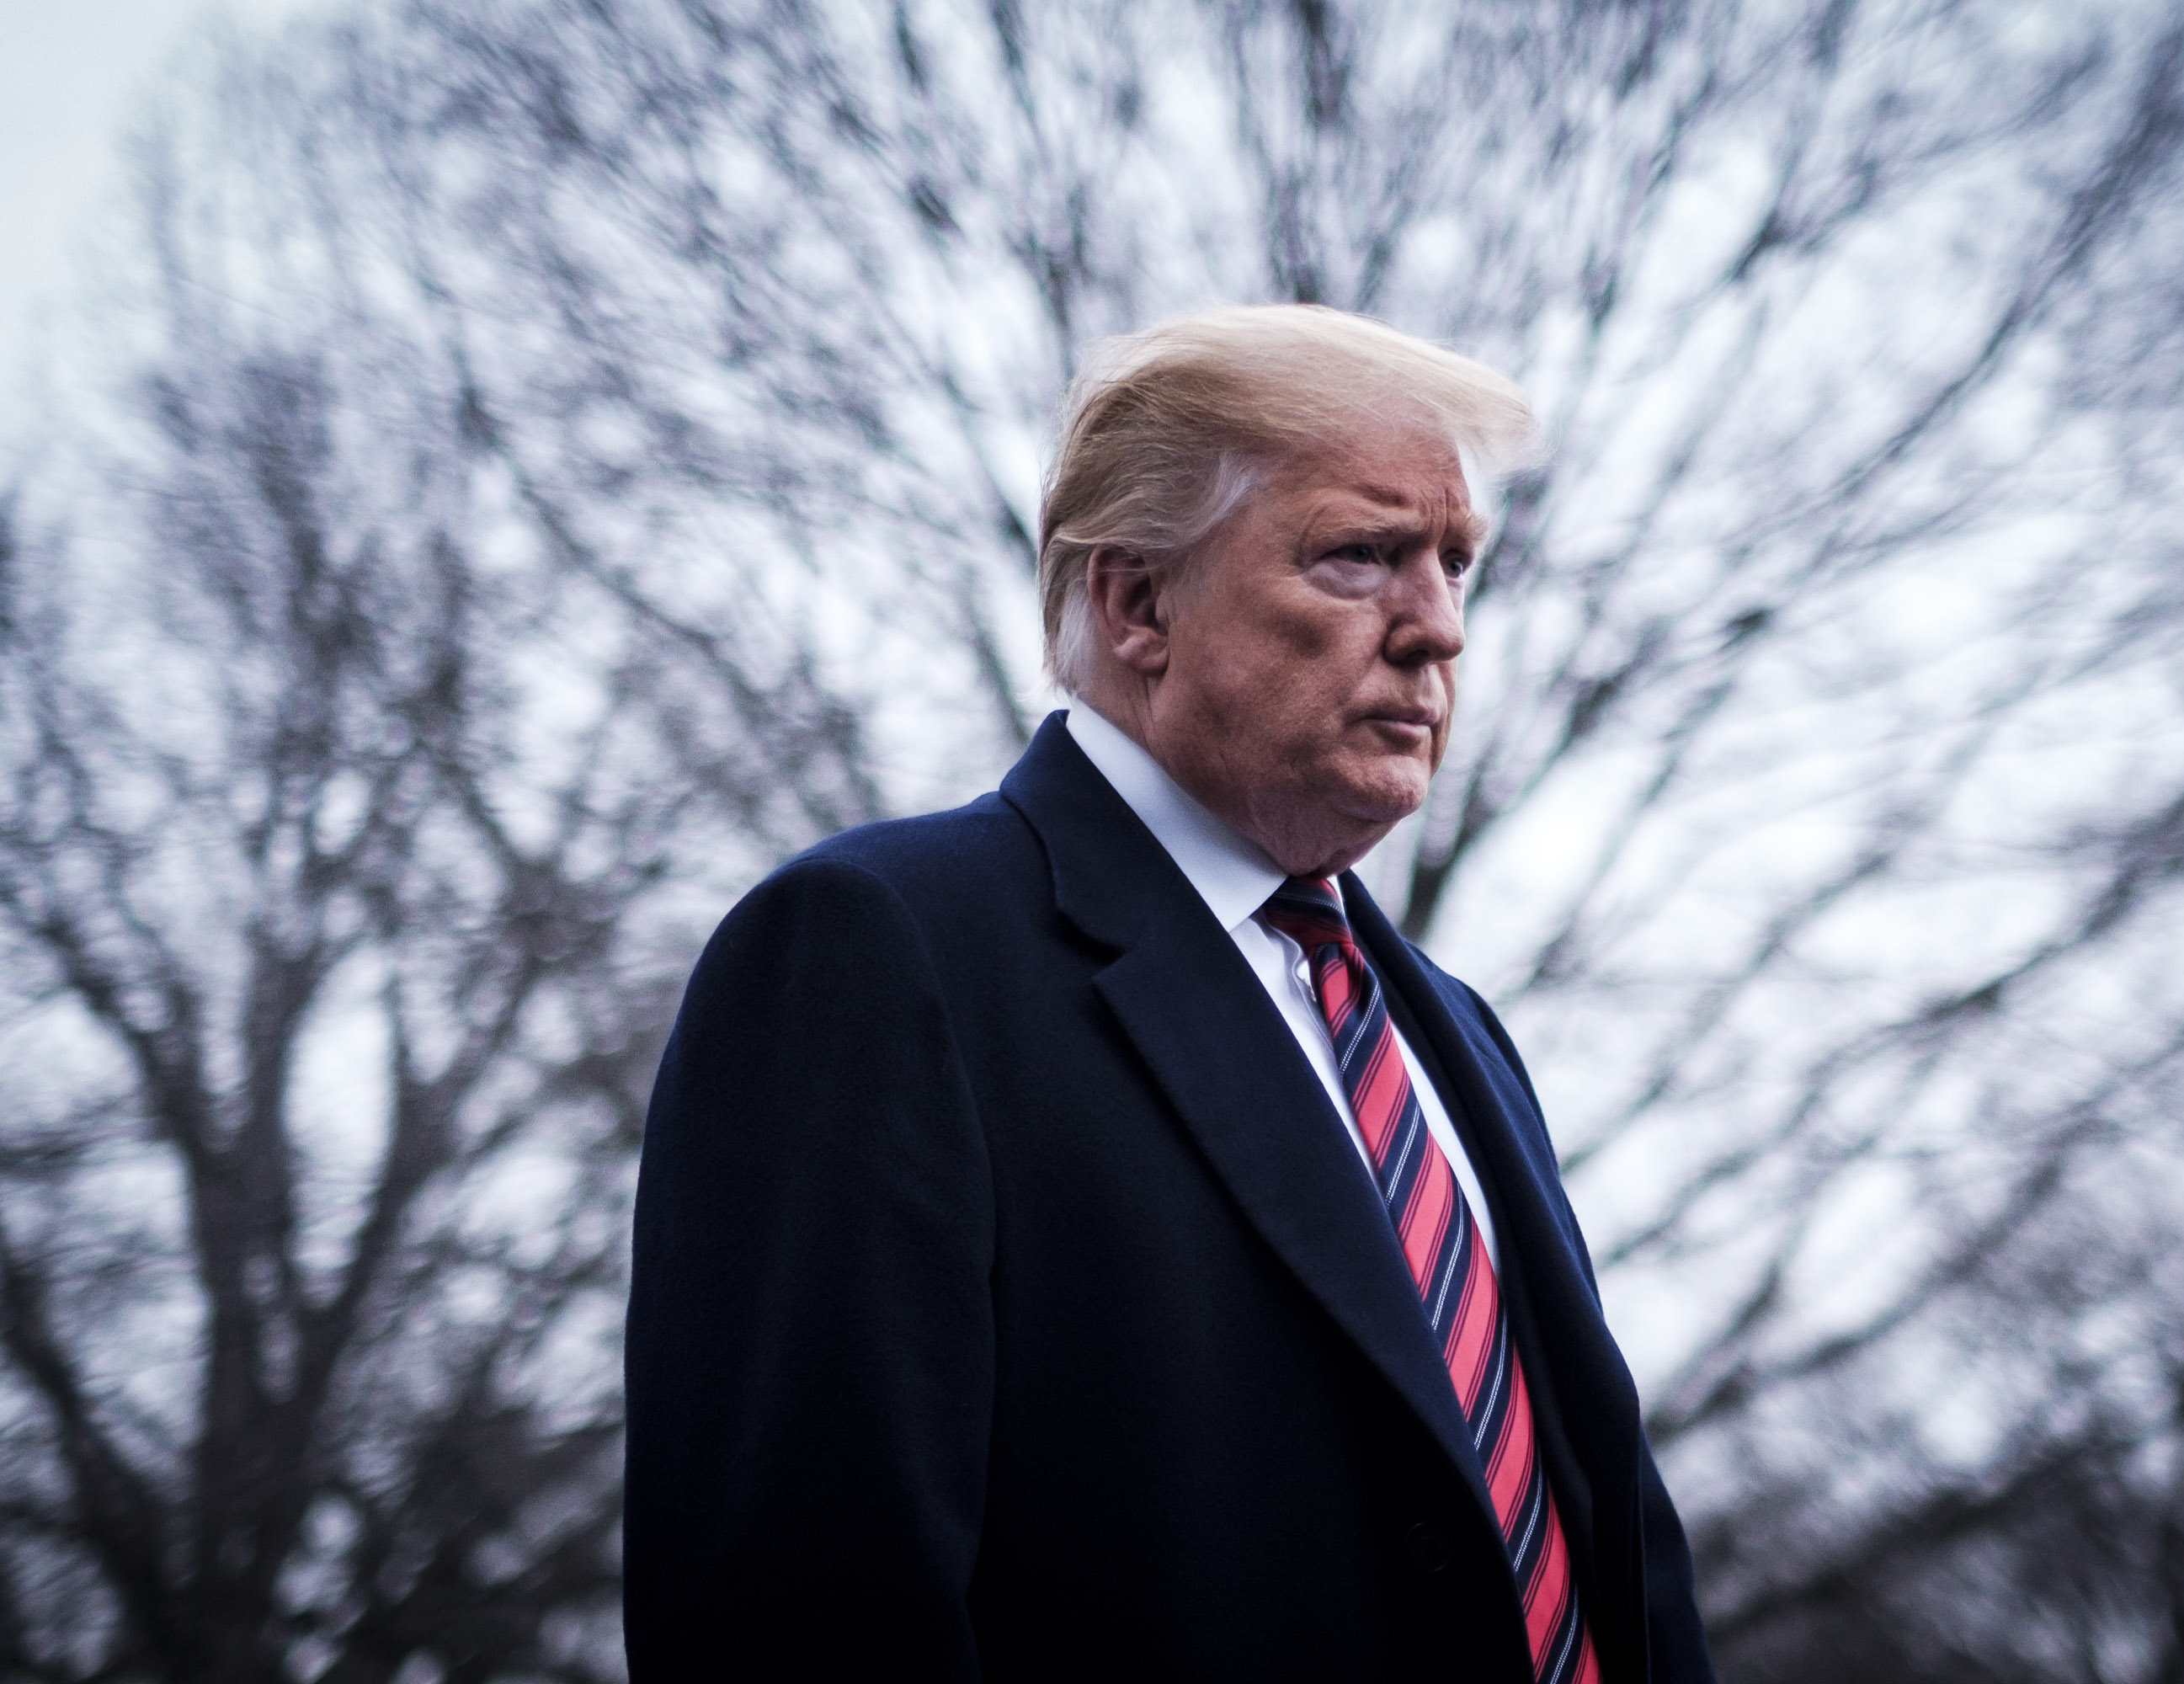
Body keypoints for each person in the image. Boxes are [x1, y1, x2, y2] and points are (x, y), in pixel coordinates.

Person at [624, 305, 1720, 1682]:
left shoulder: (1459, 1037)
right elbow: (794, 1620)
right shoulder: (879, 952)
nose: (1438, 631)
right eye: (1362, 556)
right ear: (1139, 603)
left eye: (1455, 565)